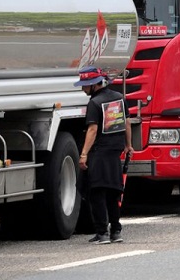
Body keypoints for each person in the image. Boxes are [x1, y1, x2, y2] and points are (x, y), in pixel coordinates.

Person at [74, 66, 133, 245]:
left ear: (95, 84)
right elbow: (127, 123)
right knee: (114, 193)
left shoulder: (94, 103)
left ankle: (102, 233)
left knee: (96, 193)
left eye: (86, 85)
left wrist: (83, 154)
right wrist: (128, 145)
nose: (83, 88)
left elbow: (92, 130)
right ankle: (116, 231)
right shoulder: (119, 99)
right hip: (115, 153)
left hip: (98, 154)